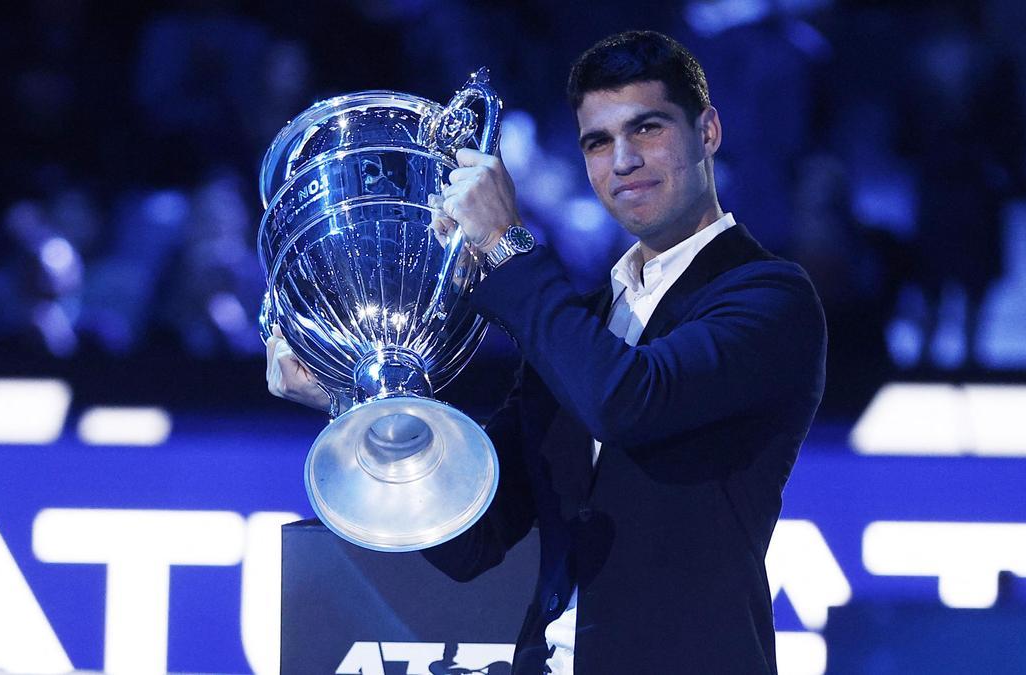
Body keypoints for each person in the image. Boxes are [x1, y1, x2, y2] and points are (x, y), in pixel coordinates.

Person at [267, 30, 826, 674]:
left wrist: (506, 245)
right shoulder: (580, 325)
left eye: (647, 129)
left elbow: (624, 401)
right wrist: (356, 398)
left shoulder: (769, 298)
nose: (623, 161)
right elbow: (470, 535)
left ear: (708, 133)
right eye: (598, 142)